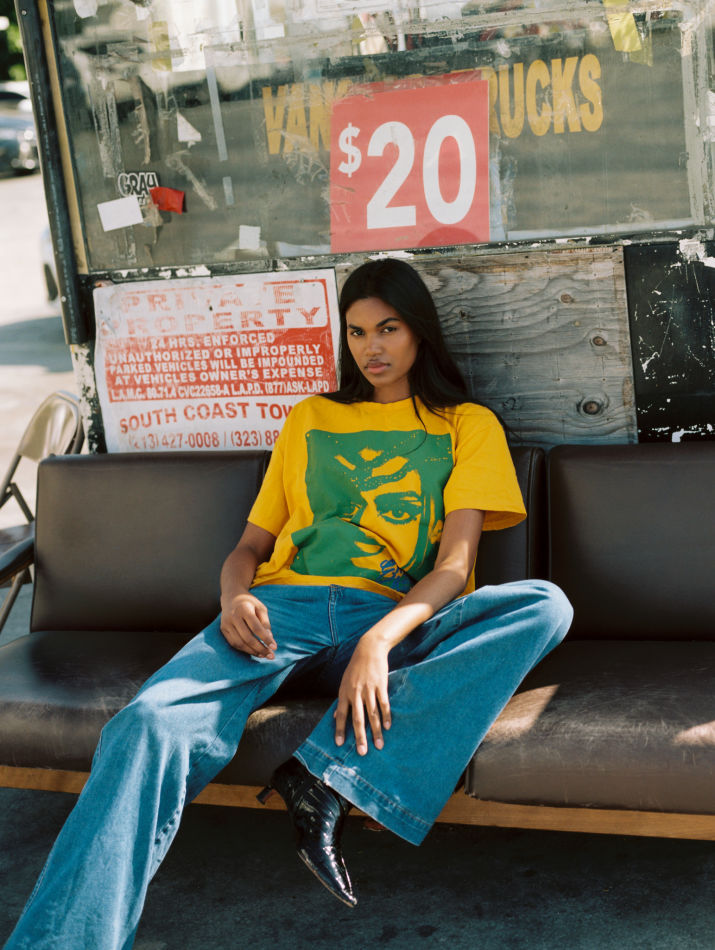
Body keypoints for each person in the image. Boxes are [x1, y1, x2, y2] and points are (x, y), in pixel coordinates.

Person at [5, 258, 573, 949]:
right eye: (357, 331)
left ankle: (322, 778)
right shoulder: (309, 419)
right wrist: (233, 597)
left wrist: (377, 643)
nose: (371, 347)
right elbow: (249, 545)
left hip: (391, 623)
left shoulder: (465, 424)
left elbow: (455, 567)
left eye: (389, 328)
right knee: (146, 723)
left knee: (543, 605)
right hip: (281, 614)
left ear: (419, 332)